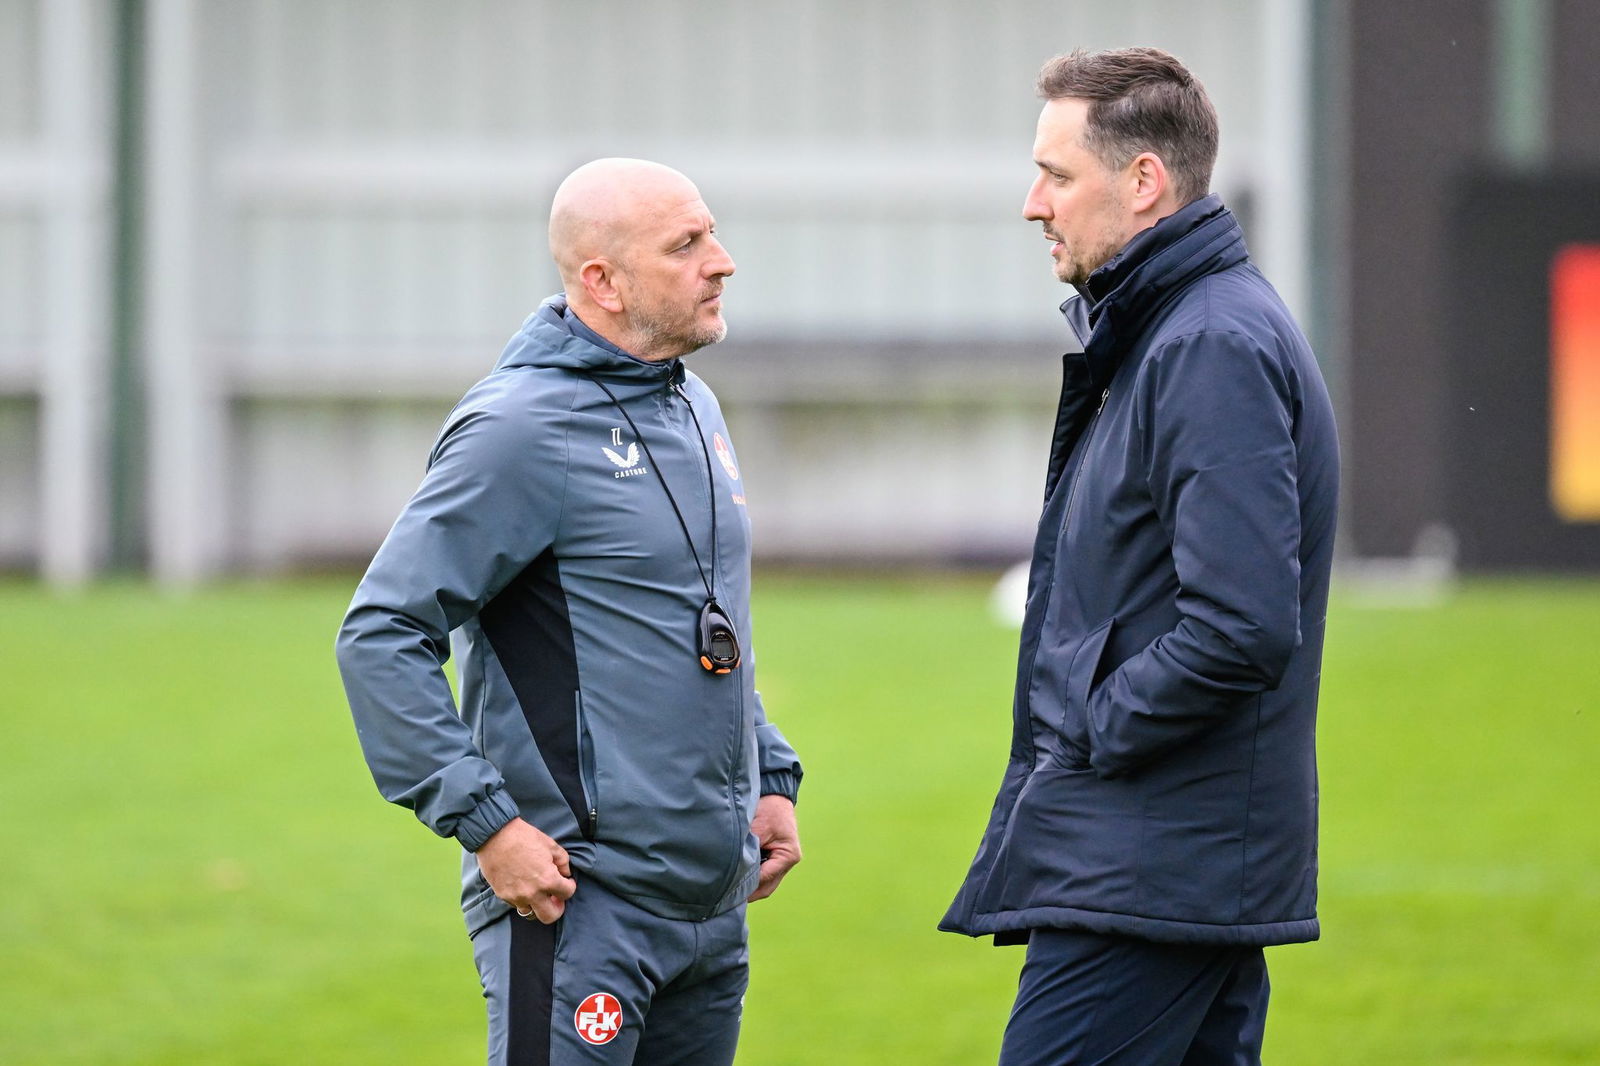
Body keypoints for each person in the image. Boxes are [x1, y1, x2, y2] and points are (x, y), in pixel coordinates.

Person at [335, 157, 803, 1066]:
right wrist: (489, 825)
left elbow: (698, 624)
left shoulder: (694, 404)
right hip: (578, 903)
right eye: (688, 244)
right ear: (603, 282)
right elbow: (381, 634)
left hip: (710, 908)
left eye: (711, 232)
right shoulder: (521, 429)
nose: (724, 260)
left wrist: (768, 774)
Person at [940, 48, 1339, 1066]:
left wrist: (1093, 722)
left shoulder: (1206, 344)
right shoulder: (1173, 330)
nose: (1034, 204)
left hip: (1149, 868)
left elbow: (1238, 623)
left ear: (1145, 181)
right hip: (1162, 859)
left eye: (1056, 175)